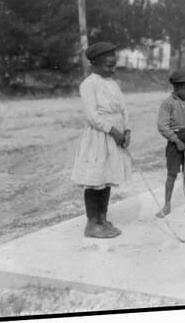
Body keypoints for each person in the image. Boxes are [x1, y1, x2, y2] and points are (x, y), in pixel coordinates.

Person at [71, 41, 132, 238]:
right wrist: (112, 130)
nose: (112, 69)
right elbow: (91, 115)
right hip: (99, 137)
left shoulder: (113, 83)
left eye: (114, 65)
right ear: (95, 64)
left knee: (107, 179)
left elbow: (123, 109)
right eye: (108, 65)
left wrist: (127, 129)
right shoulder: (89, 84)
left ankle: (102, 218)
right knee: (95, 179)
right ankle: (92, 223)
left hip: (115, 136)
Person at [156, 68, 185, 218]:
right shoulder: (168, 104)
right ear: (177, 87)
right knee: (171, 175)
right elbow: (162, 126)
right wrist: (175, 140)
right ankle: (167, 205)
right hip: (174, 142)